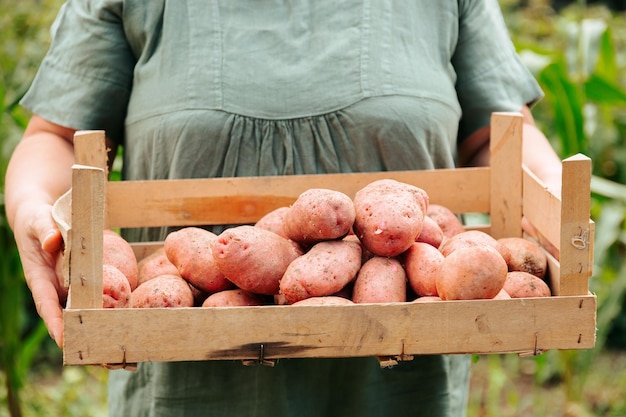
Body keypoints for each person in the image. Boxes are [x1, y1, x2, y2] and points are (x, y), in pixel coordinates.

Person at [5, 1, 564, 416]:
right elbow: (55, 136)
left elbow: (501, 136)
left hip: (403, 376)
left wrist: (556, 199)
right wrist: (33, 206)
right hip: (184, 373)